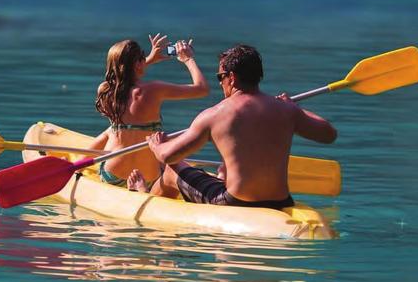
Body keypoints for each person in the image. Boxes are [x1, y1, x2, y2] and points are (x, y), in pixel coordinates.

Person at [142, 44, 337, 209]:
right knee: (222, 170)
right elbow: (329, 135)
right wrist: (297, 109)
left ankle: (144, 200)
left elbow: (170, 156)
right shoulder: (287, 111)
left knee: (171, 169)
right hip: (281, 202)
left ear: (232, 77)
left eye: (220, 77)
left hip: (235, 203)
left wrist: (156, 145)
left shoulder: (214, 115)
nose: (220, 83)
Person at [89, 34, 208, 196]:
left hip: (114, 173)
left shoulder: (105, 90)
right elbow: (202, 89)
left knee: (112, 130)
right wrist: (188, 59)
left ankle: (82, 157)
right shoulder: (155, 89)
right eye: (142, 59)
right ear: (138, 64)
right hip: (149, 176)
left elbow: (124, 76)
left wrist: (148, 59)